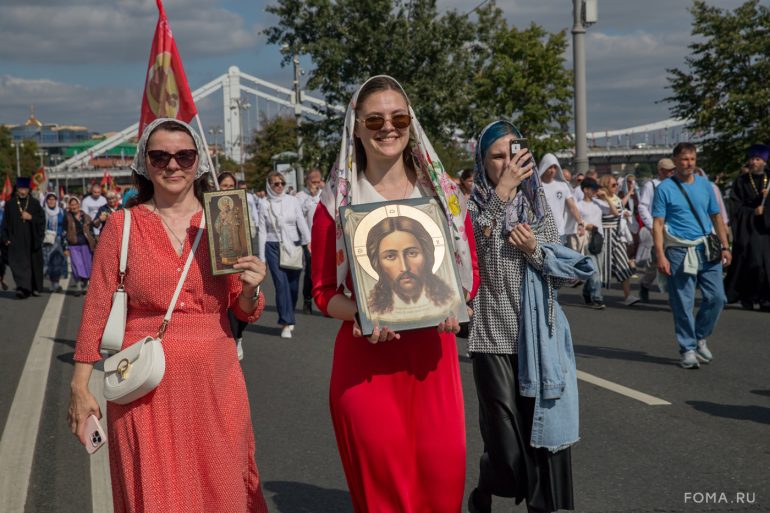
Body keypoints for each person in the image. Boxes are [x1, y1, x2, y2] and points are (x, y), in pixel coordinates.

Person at [67, 118, 269, 513]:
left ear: (199, 163)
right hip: (144, 387)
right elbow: (96, 307)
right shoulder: (123, 225)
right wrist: (79, 385)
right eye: (160, 156)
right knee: (158, 494)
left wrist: (250, 288)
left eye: (184, 155)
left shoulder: (222, 221)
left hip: (215, 381)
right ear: (145, 163)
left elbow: (243, 309)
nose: (173, 165)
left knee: (222, 487)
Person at [311, 75, 479, 513]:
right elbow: (323, 292)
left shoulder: (442, 196)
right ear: (356, 127)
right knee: (385, 499)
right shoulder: (335, 203)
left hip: (433, 366)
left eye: (399, 117)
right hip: (367, 368)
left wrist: (455, 306)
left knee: (443, 493)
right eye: (375, 119)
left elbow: (470, 274)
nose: (389, 127)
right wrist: (365, 315)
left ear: (411, 123)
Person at [466, 120, 576, 513]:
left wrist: (533, 249)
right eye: (496, 156)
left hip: (539, 338)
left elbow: (561, 274)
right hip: (491, 338)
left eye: (512, 154)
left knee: (544, 441)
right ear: (482, 161)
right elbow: (474, 247)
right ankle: (486, 481)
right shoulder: (471, 204)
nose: (506, 163)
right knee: (507, 450)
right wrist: (501, 192)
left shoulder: (539, 204)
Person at [652, 142, 730, 369]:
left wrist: (725, 246)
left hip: (707, 247)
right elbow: (657, 224)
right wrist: (661, 255)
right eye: (685, 159)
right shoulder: (665, 188)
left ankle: (700, 336)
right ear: (675, 161)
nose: (689, 163)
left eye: (693, 159)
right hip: (678, 249)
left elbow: (717, 217)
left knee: (717, 297)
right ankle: (687, 348)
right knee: (683, 302)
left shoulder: (706, 185)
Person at [364, 215, 458, 321]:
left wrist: (459, 308)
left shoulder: (449, 300)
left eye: (412, 253)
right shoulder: (373, 310)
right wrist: (364, 319)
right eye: (390, 256)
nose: (404, 268)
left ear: (427, 254)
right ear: (377, 263)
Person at [258, 170, 310, 338]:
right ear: (269, 185)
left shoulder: (292, 201)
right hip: (272, 246)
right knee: (281, 284)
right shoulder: (264, 204)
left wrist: (308, 242)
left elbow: (301, 221)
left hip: (293, 245)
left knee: (293, 285)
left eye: (281, 183)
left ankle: (290, 313)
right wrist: (261, 258)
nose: (279, 186)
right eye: (275, 183)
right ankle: (286, 322)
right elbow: (262, 231)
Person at [724, 143, 770, 310]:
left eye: (757, 159)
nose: (754, 162)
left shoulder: (769, 179)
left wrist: (767, 201)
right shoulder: (741, 181)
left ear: (764, 161)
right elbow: (736, 207)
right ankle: (748, 297)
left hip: (766, 229)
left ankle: (766, 299)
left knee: (766, 265)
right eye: (752, 159)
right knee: (752, 262)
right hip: (748, 229)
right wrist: (753, 212)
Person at [594, 175, 640, 306]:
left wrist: (630, 193)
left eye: (617, 185)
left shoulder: (616, 198)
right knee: (602, 267)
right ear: (606, 186)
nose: (617, 187)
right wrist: (606, 198)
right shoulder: (598, 200)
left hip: (617, 236)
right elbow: (613, 211)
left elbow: (620, 206)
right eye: (613, 185)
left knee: (623, 264)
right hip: (604, 236)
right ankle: (595, 294)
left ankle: (628, 296)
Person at [637, 158, 675, 301]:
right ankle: (645, 284)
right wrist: (651, 225)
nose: (671, 173)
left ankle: (675, 294)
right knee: (656, 262)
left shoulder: (676, 184)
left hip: (673, 230)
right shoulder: (651, 185)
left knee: (676, 261)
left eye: (673, 170)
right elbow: (642, 206)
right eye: (668, 170)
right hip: (658, 228)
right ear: (660, 171)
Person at [219, 172, 249, 359]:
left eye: (231, 186)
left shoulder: (240, 205)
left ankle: (239, 334)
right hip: (220, 258)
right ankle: (230, 337)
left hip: (238, 256)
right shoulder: (212, 207)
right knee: (226, 301)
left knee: (242, 297)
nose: (228, 190)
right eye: (224, 186)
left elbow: (245, 230)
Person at [1, 177, 45, 298]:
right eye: (21, 188)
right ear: (17, 189)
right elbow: (5, 222)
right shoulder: (10, 204)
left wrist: (31, 218)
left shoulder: (35, 203)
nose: (23, 191)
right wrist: (5, 237)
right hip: (16, 240)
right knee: (18, 265)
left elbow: (41, 220)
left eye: (25, 189)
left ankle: (33, 288)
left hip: (32, 239)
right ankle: (22, 288)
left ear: (28, 190)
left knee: (32, 264)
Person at [538, 153, 584, 248]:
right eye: (550, 167)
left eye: (555, 167)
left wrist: (580, 222)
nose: (552, 170)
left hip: (559, 232)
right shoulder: (536, 186)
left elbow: (572, 206)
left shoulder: (563, 186)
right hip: (541, 232)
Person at [295, 168, 323, 314]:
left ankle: (326, 302)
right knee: (311, 271)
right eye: (313, 182)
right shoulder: (300, 196)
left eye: (318, 182)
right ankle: (307, 299)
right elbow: (299, 216)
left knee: (326, 271)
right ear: (307, 181)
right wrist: (311, 197)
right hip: (309, 240)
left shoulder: (325, 194)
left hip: (324, 238)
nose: (316, 185)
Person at [576, 178, 606, 309]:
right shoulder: (579, 204)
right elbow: (576, 220)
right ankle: (597, 298)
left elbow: (616, 210)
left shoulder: (599, 203)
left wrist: (606, 197)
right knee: (595, 270)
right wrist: (586, 225)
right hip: (588, 239)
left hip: (600, 238)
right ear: (585, 190)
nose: (595, 191)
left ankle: (587, 293)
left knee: (597, 269)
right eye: (593, 189)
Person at [62, 197, 95, 297]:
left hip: (86, 245)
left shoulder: (86, 217)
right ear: (69, 206)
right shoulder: (67, 217)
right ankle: (78, 287)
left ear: (79, 205)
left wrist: (93, 244)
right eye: (71, 205)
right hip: (73, 246)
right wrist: (65, 247)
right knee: (76, 266)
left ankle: (85, 286)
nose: (73, 207)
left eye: (75, 204)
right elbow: (64, 233)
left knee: (87, 266)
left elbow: (91, 231)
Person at [42, 193, 68, 293]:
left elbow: (65, 226)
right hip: (47, 241)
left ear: (56, 201)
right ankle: (52, 283)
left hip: (58, 240)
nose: (51, 201)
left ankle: (56, 283)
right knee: (48, 262)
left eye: (53, 199)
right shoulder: (43, 211)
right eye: (49, 199)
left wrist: (65, 243)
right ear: (46, 201)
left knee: (58, 262)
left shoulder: (61, 211)